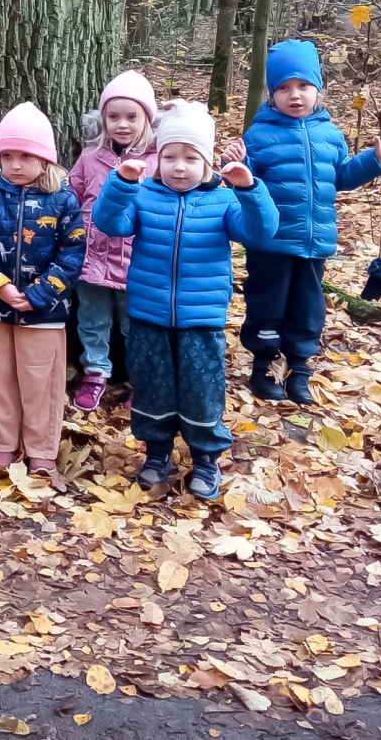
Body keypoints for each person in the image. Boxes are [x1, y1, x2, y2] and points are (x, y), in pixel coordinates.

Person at [94, 99, 278, 499]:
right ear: (157, 158)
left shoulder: (224, 201)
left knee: (201, 390)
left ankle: (206, 458)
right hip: (148, 316)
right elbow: (109, 223)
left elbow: (261, 233)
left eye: (191, 158)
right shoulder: (144, 196)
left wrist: (249, 189)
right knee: (152, 387)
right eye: (170, 156)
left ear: (208, 163)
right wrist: (121, 182)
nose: (179, 166)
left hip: (202, 320)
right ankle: (157, 453)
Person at [224, 40, 381, 404]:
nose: (295, 95)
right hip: (270, 242)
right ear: (272, 94)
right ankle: (263, 366)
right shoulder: (258, 135)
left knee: (308, 305)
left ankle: (299, 369)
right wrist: (237, 164)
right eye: (284, 88)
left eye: (303, 86)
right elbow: (246, 181)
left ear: (318, 89)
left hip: (315, 240)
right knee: (267, 303)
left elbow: (343, 177)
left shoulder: (329, 134)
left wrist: (374, 159)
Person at [0, 102, 86, 475]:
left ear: (44, 158)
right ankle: (0, 443)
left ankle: (42, 450)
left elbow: (73, 252)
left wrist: (38, 294)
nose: (15, 165)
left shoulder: (63, 199)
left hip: (45, 313)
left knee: (40, 382)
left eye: (26, 156)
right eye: (8, 156)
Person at [67, 71, 157, 411]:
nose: (122, 124)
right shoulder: (90, 158)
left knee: (135, 325)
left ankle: (140, 380)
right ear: (102, 119)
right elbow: (72, 198)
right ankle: (94, 373)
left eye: (132, 117)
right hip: (91, 260)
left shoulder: (157, 160)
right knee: (92, 320)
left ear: (146, 119)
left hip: (137, 263)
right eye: (114, 116)